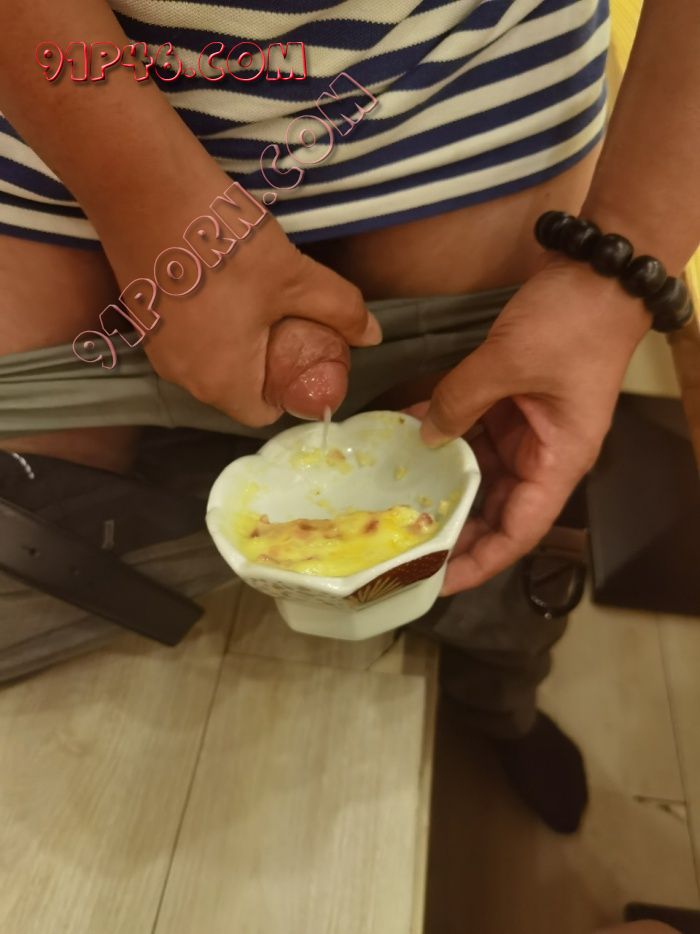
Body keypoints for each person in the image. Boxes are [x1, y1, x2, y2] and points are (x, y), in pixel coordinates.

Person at [0, 0, 698, 836]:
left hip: (471, 92)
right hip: (54, 92)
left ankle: (498, 703)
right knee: (45, 546)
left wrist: (622, 266)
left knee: (486, 493)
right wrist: (147, 198)